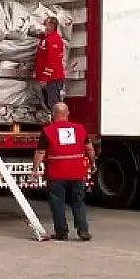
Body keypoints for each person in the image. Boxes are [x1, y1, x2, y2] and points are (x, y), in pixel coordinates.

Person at [31, 102, 97, 241]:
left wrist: (35, 170)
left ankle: (61, 232)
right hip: (77, 173)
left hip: (56, 174)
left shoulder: (48, 131)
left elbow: (40, 152)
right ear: (67, 114)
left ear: (53, 115)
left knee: (57, 202)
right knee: (78, 202)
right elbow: (90, 148)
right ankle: (83, 230)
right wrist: (93, 163)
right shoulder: (80, 129)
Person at [34, 15, 67, 108]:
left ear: (52, 26)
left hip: (53, 79)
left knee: (54, 105)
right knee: (48, 103)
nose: (44, 27)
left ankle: (56, 121)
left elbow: (52, 62)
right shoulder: (46, 39)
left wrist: (45, 78)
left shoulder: (54, 40)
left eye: (46, 25)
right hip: (49, 79)